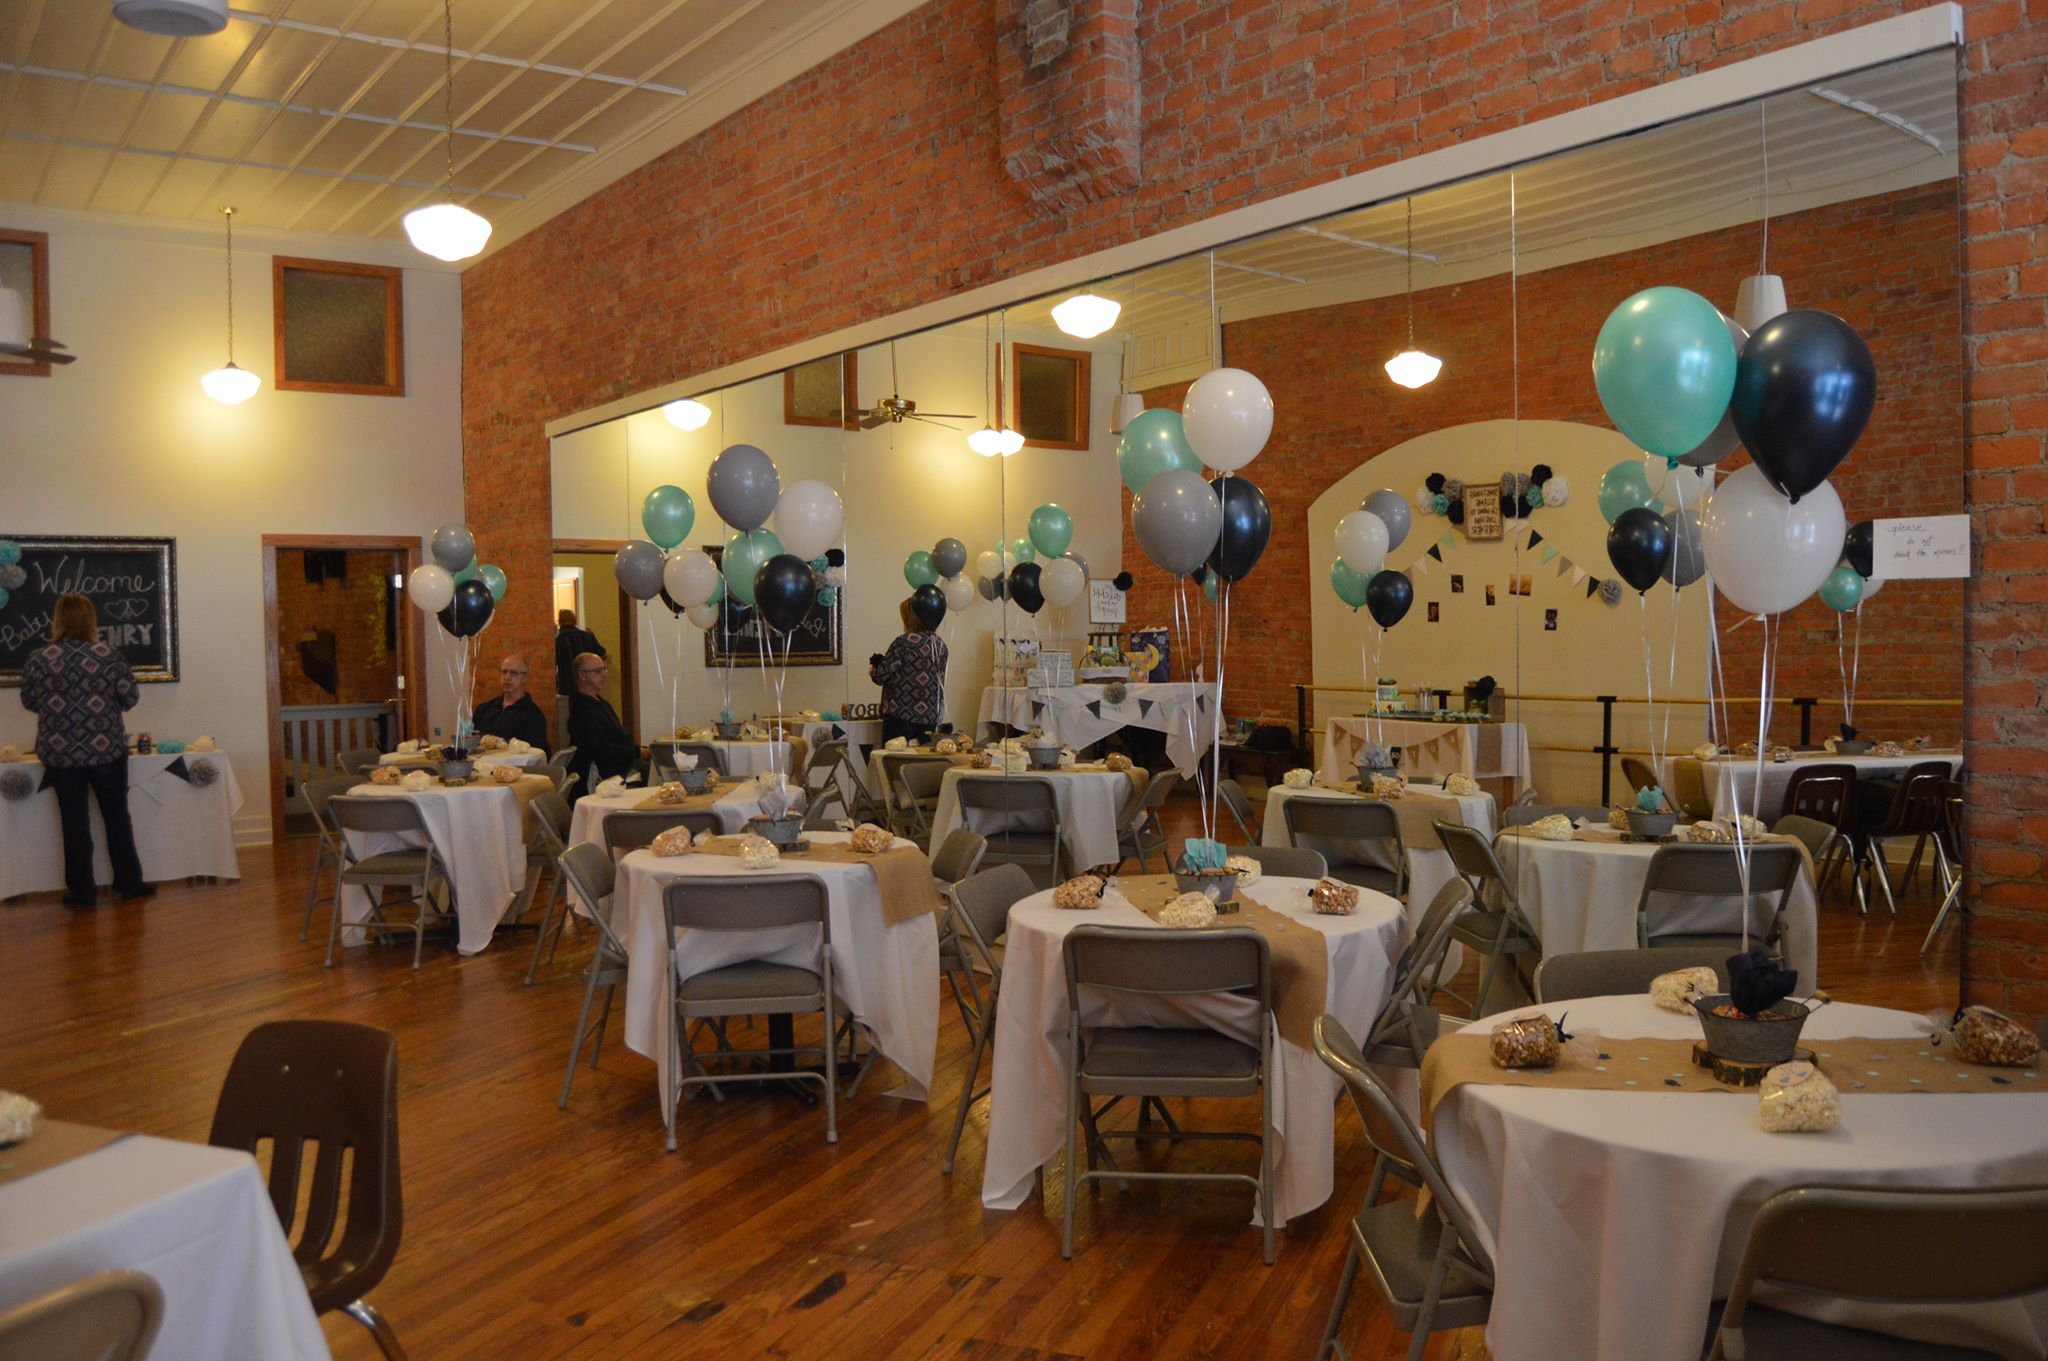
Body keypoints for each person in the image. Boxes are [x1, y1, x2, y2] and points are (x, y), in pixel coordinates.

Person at [18, 594, 152, 907]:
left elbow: (30, 701)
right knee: (117, 817)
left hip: (60, 754)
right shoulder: (109, 655)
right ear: (91, 620)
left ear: (58, 620)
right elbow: (130, 697)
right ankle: (129, 884)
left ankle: (81, 892)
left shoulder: (39, 658)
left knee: (73, 822)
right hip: (106, 751)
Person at [870, 596, 948, 743]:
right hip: (931, 718)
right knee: (924, 757)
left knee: (894, 756)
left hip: (900, 717)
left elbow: (880, 676)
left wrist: (873, 669)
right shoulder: (940, 645)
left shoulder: (904, 642)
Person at [564, 652, 644, 797]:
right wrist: (637, 752)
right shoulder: (581, 712)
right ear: (582, 675)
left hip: (619, 762)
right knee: (648, 770)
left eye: (604, 669)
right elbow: (604, 751)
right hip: (601, 775)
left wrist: (637, 750)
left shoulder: (601, 703)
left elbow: (619, 736)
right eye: (597, 671)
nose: (604, 675)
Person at [471, 653, 550, 754]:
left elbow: (533, 755)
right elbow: (471, 742)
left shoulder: (534, 716)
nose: (507, 677)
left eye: (514, 673)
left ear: (525, 677)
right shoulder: (484, 709)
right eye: (504, 672)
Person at [555, 608, 604, 695]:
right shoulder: (587, 636)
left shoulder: (558, 640)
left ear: (559, 622)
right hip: (588, 683)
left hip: (567, 686)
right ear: (575, 621)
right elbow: (602, 654)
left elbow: (553, 663)